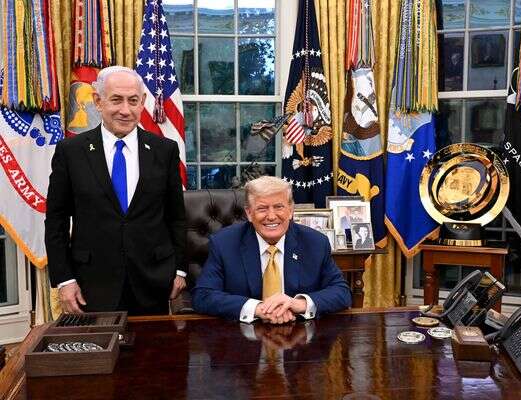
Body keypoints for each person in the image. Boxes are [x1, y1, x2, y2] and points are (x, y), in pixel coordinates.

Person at [45, 66, 186, 315]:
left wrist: (180, 270)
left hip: (153, 281)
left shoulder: (165, 150)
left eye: (133, 100)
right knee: (99, 343)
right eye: (116, 100)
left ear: (142, 101)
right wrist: (65, 279)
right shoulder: (71, 152)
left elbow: (176, 216)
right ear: (98, 101)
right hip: (92, 283)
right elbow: (56, 220)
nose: (125, 110)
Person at [192, 175, 351, 323]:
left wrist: (298, 304)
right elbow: (203, 296)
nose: (271, 216)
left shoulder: (315, 243)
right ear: (249, 213)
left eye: (279, 207)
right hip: (242, 336)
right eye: (262, 208)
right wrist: (258, 309)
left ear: (291, 210)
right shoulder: (224, 243)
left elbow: (342, 292)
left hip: (300, 334)